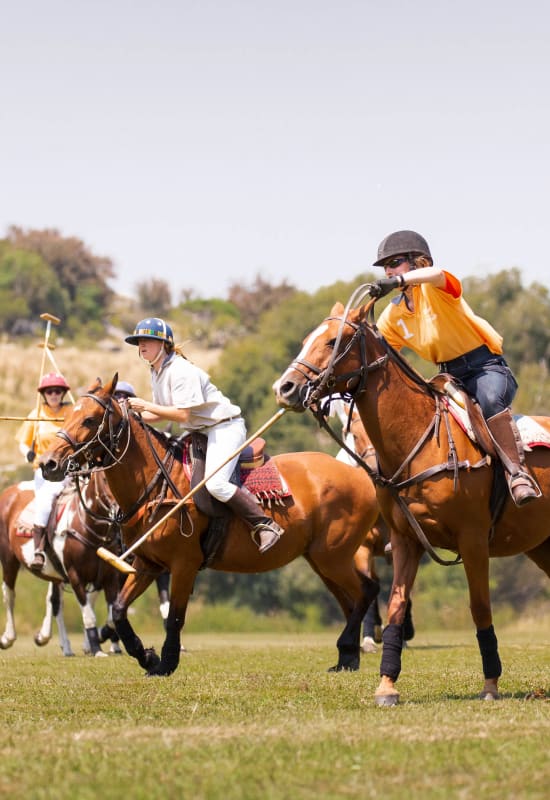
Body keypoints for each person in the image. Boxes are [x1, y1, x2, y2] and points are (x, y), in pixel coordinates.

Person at [369, 229, 539, 506]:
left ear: (417, 262)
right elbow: (382, 355)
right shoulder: (392, 315)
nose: (388, 271)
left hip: (486, 368)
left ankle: (517, 474)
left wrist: (400, 280)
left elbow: (437, 274)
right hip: (448, 377)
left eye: (395, 262)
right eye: (386, 267)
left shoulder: (437, 289)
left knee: (489, 400)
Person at [123, 317, 284, 552]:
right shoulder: (156, 372)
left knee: (216, 484)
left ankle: (265, 525)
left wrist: (144, 405)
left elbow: (182, 415)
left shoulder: (180, 370)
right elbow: (158, 414)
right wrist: (131, 418)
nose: (141, 345)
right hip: (201, 434)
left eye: (147, 340)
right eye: (139, 342)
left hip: (224, 427)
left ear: (164, 344)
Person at [16, 372, 74, 571]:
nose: (54, 394)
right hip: (43, 472)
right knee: (46, 498)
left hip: (67, 469)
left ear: (63, 393)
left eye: (58, 391)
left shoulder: (71, 412)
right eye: (50, 391)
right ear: (44, 394)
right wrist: (29, 455)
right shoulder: (36, 414)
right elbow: (23, 443)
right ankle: (39, 548)